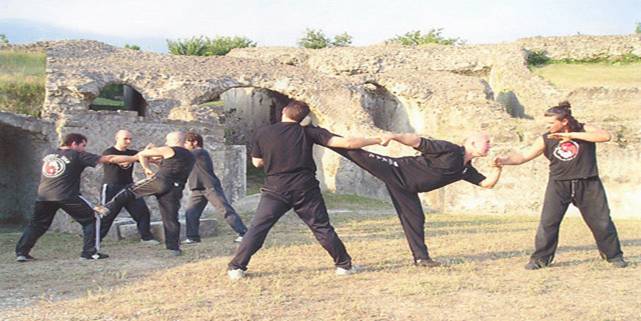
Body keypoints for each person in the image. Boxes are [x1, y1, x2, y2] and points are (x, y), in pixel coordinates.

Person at [227, 100, 385, 280]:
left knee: (258, 228)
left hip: (275, 188)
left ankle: (236, 268)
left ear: (284, 111)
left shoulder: (264, 132)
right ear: (304, 117)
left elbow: (257, 162)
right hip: (305, 188)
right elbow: (347, 143)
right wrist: (377, 139)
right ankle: (343, 266)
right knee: (322, 228)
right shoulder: (309, 132)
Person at [326, 131, 502, 267]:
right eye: (486, 142)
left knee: (416, 219)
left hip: (407, 189)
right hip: (395, 169)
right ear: (472, 143)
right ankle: (317, 134)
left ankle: (421, 259)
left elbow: (487, 184)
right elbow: (417, 142)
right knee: (356, 153)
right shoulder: (450, 149)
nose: (489, 146)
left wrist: (498, 168)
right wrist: (394, 136)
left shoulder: (465, 169)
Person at [495, 101, 627, 269]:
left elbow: (605, 136)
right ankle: (540, 260)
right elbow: (523, 156)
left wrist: (572, 136)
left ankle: (614, 257)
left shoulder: (584, 129)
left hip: (588, 183)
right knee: (548, 223)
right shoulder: (546, 138)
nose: (548, 126)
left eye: (551, 123)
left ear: (564, 121)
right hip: (558, 185)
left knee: (601, 222)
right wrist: (504, 161)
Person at [15, 133, 137, 261]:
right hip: (67, 196)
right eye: (83, 145)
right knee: (92, 218)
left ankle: (21, 253)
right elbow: (110, 158)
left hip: (44, 196)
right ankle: (89, 253)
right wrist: (135, 157)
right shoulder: (77, 155)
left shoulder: (48, 153)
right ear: (74, 143)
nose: (84, 149)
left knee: (36, 224)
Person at [95, 131, 195, 256]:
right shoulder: (190, 155)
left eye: (167, 140)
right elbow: (166, 164)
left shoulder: (168, 149)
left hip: (160, 182)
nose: (165, 142)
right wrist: (154, 159)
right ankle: (173, 249)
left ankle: (106, 207)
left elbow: (142, 154)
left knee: (129, 191)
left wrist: (147, 169)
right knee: (171, 218)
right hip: (176, 188)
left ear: (173, 141)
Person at [183, 132, 247, 244]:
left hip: (210, 187)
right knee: (191, 213)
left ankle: (243, 233)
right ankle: (193, 237)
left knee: (225, 210)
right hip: (197, 189)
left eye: (186, 142)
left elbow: (180, 156)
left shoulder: (200, 152)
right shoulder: (190, 156)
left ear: (195, 142)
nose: (184, 145)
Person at [99, 130, 158, 244]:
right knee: (107, 215)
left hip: (129, 187)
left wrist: (155, 156)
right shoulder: (109, 152)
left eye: (130, 139)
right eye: (125, 139)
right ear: (117, 138)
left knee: (142, 212)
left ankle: (146, 237)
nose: (128, 141)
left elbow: (149, 159)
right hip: (112, 187)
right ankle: (95, 239)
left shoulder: (133, 152)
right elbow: (124, 162)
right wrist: (141, 154)